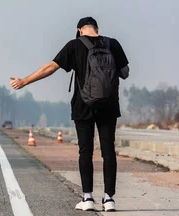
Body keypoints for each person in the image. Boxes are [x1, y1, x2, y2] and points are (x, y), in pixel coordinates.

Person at [9, 17, 129, 212]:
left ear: (79, 30)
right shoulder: (113, 43)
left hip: (83, 106)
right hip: (109, 106)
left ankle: (88, 198)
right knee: (108, 151)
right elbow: (125, 72)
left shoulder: (75, 45)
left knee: (85, 150)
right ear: (97, 28)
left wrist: (24, 81)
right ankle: (109, 200)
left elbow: (51, 67)